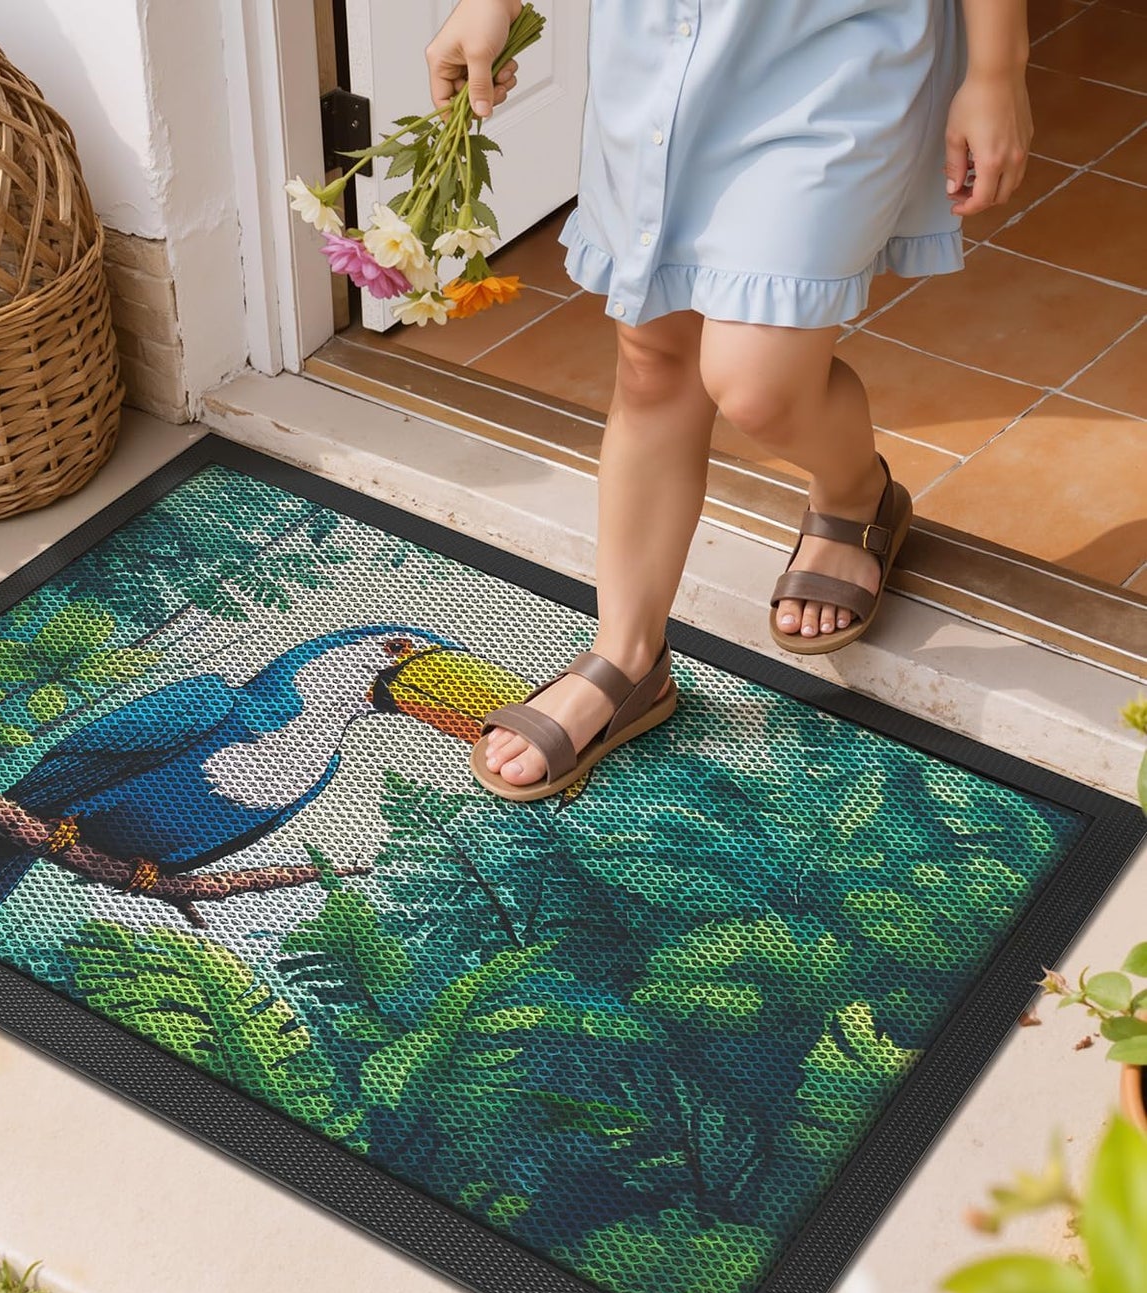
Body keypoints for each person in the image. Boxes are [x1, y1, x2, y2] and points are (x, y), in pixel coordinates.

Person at [425, 0, 1032, 802]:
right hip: (656, 47)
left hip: (830, 52)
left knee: (756, 383)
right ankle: (626, 657)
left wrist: (996, 69)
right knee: (652, 361)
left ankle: (854, 491)